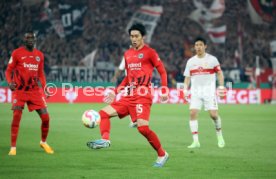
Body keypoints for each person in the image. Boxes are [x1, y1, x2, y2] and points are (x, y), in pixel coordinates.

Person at [87, 23, 169, 167]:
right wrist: (115, 91)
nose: (134, 39)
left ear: (143, 37)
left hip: (143, 94)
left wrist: (164, 89)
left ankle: (162, 154)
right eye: (131, 36)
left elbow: (162, 71)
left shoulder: (150, 52)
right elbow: (127, 77)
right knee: (103, 114)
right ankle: (105, 139)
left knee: (143, 128)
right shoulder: (128, 54)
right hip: (129, 95)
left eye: (137, 36)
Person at [5, 32, 54, 156]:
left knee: (46, 118)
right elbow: (8, 70)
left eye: (32, 38)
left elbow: (41, 73)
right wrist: (10, 83)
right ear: (24, 40)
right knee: (16, 116)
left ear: (35, 40)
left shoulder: (39, 56)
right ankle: (13, 147)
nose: (30, 40)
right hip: (20, 91)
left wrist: (45, 87)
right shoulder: (17, 53)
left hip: (34, 91)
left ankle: (43, 142)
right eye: (28, 38)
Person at [183, 37, 226, 149]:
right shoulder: (191, 61)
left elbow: (220, 74)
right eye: (196, 45)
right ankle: (196, 141)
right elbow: (187, 78)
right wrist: (185, 89)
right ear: (194, 47)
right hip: (196, 92)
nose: (198, 47)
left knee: (213, 115)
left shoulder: (212, 60)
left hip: (209, 92)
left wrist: (221, 86)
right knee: (192, 113)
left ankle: (219, 135)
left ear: (205, 46)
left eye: (200, 45)